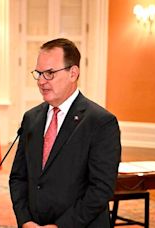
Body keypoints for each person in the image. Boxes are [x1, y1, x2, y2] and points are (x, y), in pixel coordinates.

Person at [9, 38, 121, 227]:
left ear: (73, 73)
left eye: (50, 73)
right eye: (39, 73)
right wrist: (25, 220)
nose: (41, 81)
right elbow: (18, 177)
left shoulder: (101, 122)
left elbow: (101, 189)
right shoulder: (31, 118)